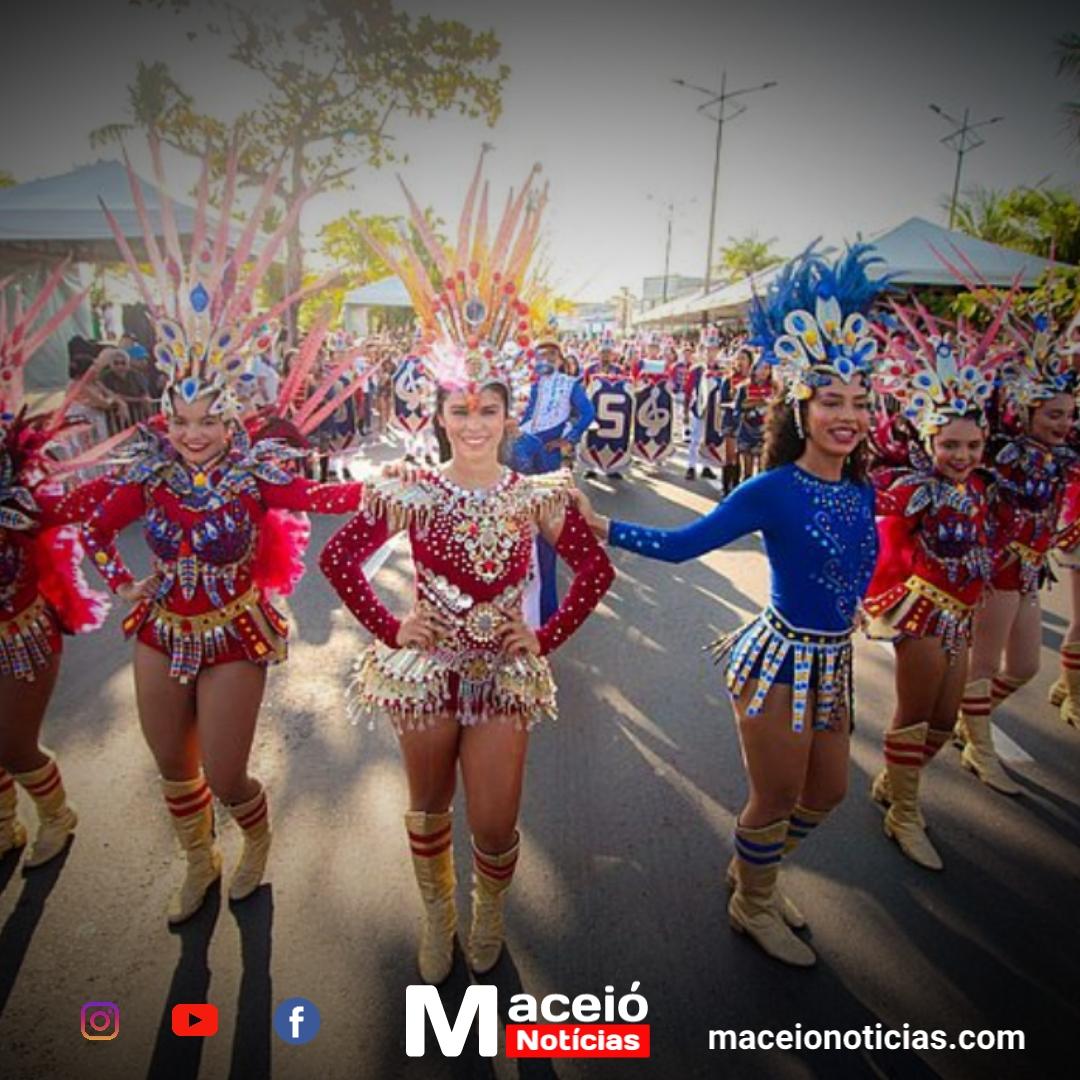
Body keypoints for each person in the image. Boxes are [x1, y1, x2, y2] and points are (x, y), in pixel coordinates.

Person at [324, 157, 614, 984]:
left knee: (492, 820)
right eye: (462, 409)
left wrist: (544, 635)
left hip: (503, 674)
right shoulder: (409, 488)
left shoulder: (537, 494)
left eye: (489, 409)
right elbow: (338, 559)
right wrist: (392, 626)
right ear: (440, 414)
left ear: (509, 413)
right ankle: (438, 913)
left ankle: (488, 910)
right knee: (427, 808)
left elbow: (594, 573)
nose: (476, 422)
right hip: (424, 668)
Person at [573, 246, 888, 968]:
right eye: (831, 401)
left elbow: (852, 560)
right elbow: (685, 545)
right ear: (801, 408)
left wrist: (857, 605)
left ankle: (754, 869)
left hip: (832, 663)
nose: (847, 415)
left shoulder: (860, 487)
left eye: (859, 402)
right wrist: (604, 526)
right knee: (774, 798)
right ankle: (753, 900)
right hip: (779, 663)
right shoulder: (770, 488)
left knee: (828, 793)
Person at [82, 137, 366, 926]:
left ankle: (254, 837)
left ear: (231, 418)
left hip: (234, 630)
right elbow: (97, 527)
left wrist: (392, 486)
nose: (192, 434)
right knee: (172, 768)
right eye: (180, 420)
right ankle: (195, 861)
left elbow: (318, 493)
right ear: (165, 418)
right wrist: (122, 582)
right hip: (159, 625)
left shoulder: (256, 473)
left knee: (226, 772)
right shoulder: (152, 471)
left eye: (207, 420)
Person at [863, 301, 1011, 868]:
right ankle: (904, 813)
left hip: (961, 616)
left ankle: (893, 781)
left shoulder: (980, 486)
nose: (962, 455)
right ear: (927, 441)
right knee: (915, 716)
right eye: (949, 445)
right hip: (922, 612)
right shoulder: (908, 489)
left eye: (972, 446)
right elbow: (878, 543)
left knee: (946, 724)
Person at [1, 262, 111, 868]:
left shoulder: (19, 489)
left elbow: (76, 510)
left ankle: (54, 814)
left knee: (14, 744)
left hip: (19, 633)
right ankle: (5, 824)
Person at [956, 306, 1080, 793]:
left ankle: (971, 719)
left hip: (1029, 573)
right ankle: (979, 747)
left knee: (1026, 667)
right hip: (996, 573)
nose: (1064, 423)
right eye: (1053, 414)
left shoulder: (1060, 455)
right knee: (983, 666)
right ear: (1026, 412)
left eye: (1069, 414)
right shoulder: (1000, 456)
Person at [511, 340, 596, 621]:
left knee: (545, 521)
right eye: (540, 356)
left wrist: (568, 438)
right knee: (520, 517)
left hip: (548, 454)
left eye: (550, 355)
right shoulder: (534, 386)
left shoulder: (570, 384)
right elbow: (529, 415)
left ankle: (546, 607)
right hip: (526, 449)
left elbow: (588, 413)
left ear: (560, 360)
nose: (544, 360)